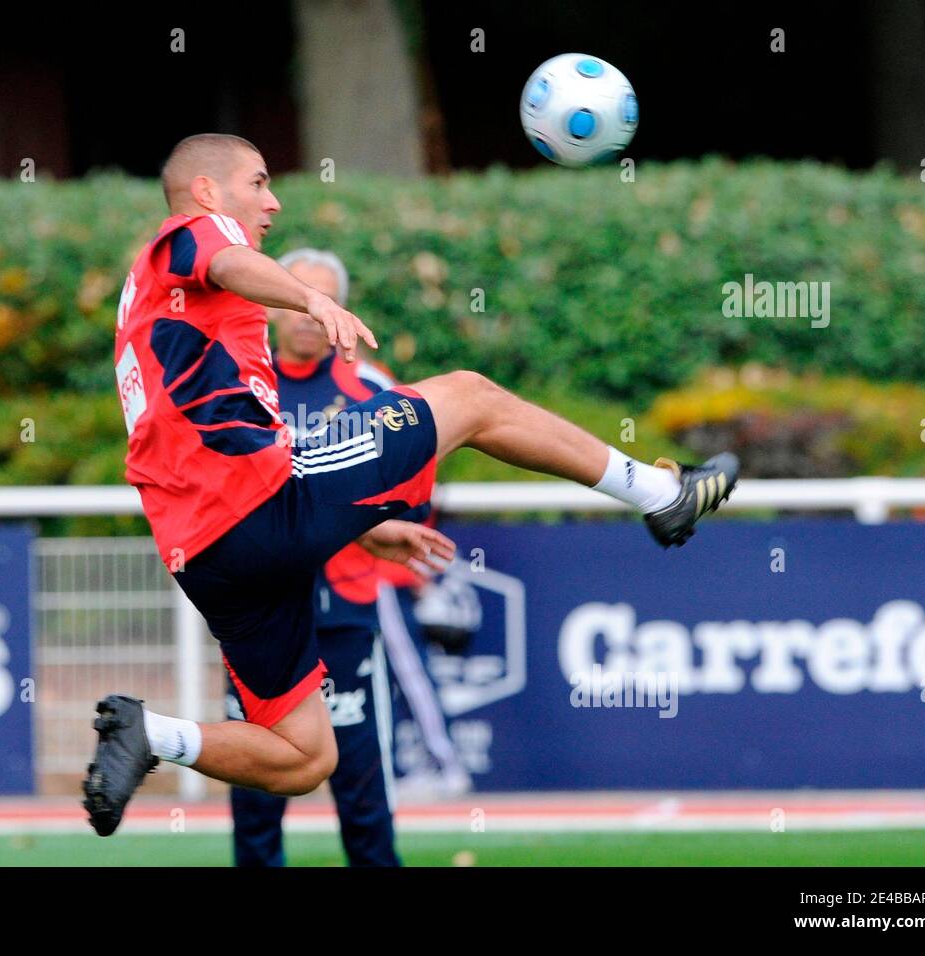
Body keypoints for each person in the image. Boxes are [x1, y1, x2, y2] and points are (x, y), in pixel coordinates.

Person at [84, 133, 738, 837]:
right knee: (472, 396)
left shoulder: (154, 300)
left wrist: (361, 524)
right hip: (257, 508)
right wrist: (308, 296)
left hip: (210, 556)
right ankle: (659, 495)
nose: (272, 200)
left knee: (304, 757)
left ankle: (153, 736)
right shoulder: (190, 233)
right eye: (259, 182)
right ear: (209, 191)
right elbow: (230, 258)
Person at [228, 247, 408, 867]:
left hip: (347, 618)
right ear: (275, 304)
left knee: (361, 789)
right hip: (262, 618)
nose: (310, 315)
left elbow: (406, 499)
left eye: (325, 299)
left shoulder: (376, 391)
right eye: (300, 297)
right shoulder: (239, 385)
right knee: (256, 795)